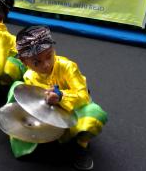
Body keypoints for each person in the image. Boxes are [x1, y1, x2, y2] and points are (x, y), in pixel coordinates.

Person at [6, 26, 107, 170]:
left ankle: (80, 146)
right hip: (49, 113)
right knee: (17, 88)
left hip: (74, 108)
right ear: (24, 62)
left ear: (53, 49)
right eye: (36, 62)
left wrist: (61, 96)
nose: (46, 65)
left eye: (49, 56)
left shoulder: (67, 67)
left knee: (95, 115)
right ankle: (25, 135)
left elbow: (83, 95)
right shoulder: (29, 76)